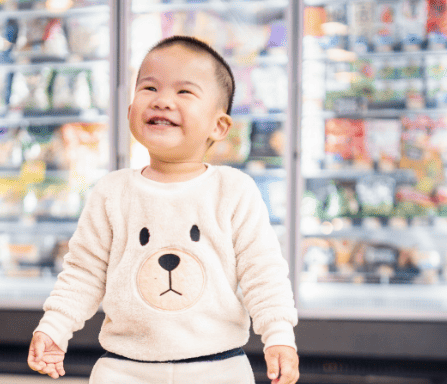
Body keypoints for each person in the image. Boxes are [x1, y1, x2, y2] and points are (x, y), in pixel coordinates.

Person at [27, 35, 299, 384]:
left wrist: (278, 335)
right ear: (130, 112)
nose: (162, 101)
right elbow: (84, 272)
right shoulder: (112, 192)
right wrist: (54, 327)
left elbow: (263, 272)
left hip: (219, 368)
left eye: (184, 92)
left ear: (219, 125)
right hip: (123, 368)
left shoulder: (233, 191)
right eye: (149, 88)